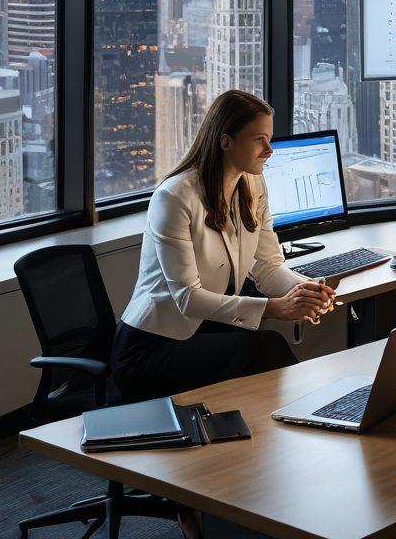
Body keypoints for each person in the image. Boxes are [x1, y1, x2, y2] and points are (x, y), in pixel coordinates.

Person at [110, 90, 336, 403]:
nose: (270, 150)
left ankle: (299, 422)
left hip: (208, 329)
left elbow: (267, 266)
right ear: (226, 141)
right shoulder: (174, 198)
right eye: (259, 139)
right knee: (259, 349)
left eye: (269, 138)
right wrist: (275, 308)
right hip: (151, 347)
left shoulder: (253, 184)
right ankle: (317, 411)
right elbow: (187, 298)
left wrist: (306, 290)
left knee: (258, 353)